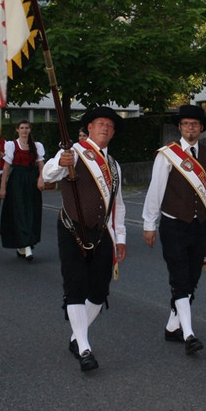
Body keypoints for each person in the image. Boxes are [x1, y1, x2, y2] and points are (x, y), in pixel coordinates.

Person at [142, 105, 206, 355]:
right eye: (186, 124)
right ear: (180, 127)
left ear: (201, 128)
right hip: (173, 223)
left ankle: (173, 326)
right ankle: (189, 334)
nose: (190, 128)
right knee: (180, 277)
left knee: (192, 277)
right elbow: (155, 190)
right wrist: (149, 224)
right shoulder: (167, 155)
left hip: (199, 226)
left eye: (194, 124)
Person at [42, 107, 126, 372]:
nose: (105, 128)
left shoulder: (114, 166)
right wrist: (60, 162)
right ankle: (84, 348)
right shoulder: (73, 153)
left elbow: (118, 205)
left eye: (110, 126)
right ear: (89, 127)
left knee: (99, 291)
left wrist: (121, 238)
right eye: (101, 123)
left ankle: (76, 337)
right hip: (72, 229)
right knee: (75, 284)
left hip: (101, 232)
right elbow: (47, 176)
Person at [0, 120, 46, 260]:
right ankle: (25, 245)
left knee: (32, 211)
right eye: (22, 128)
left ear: (30, 130)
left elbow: (41, 165)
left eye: (27, 128)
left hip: (32, 180)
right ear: (17, 130)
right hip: (17, 180)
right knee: (20, 212)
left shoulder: (36, 146)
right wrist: (3, 187)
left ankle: (25, 244)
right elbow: (6, 167)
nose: (24, 130)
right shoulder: (12, 145)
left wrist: (41, 178)